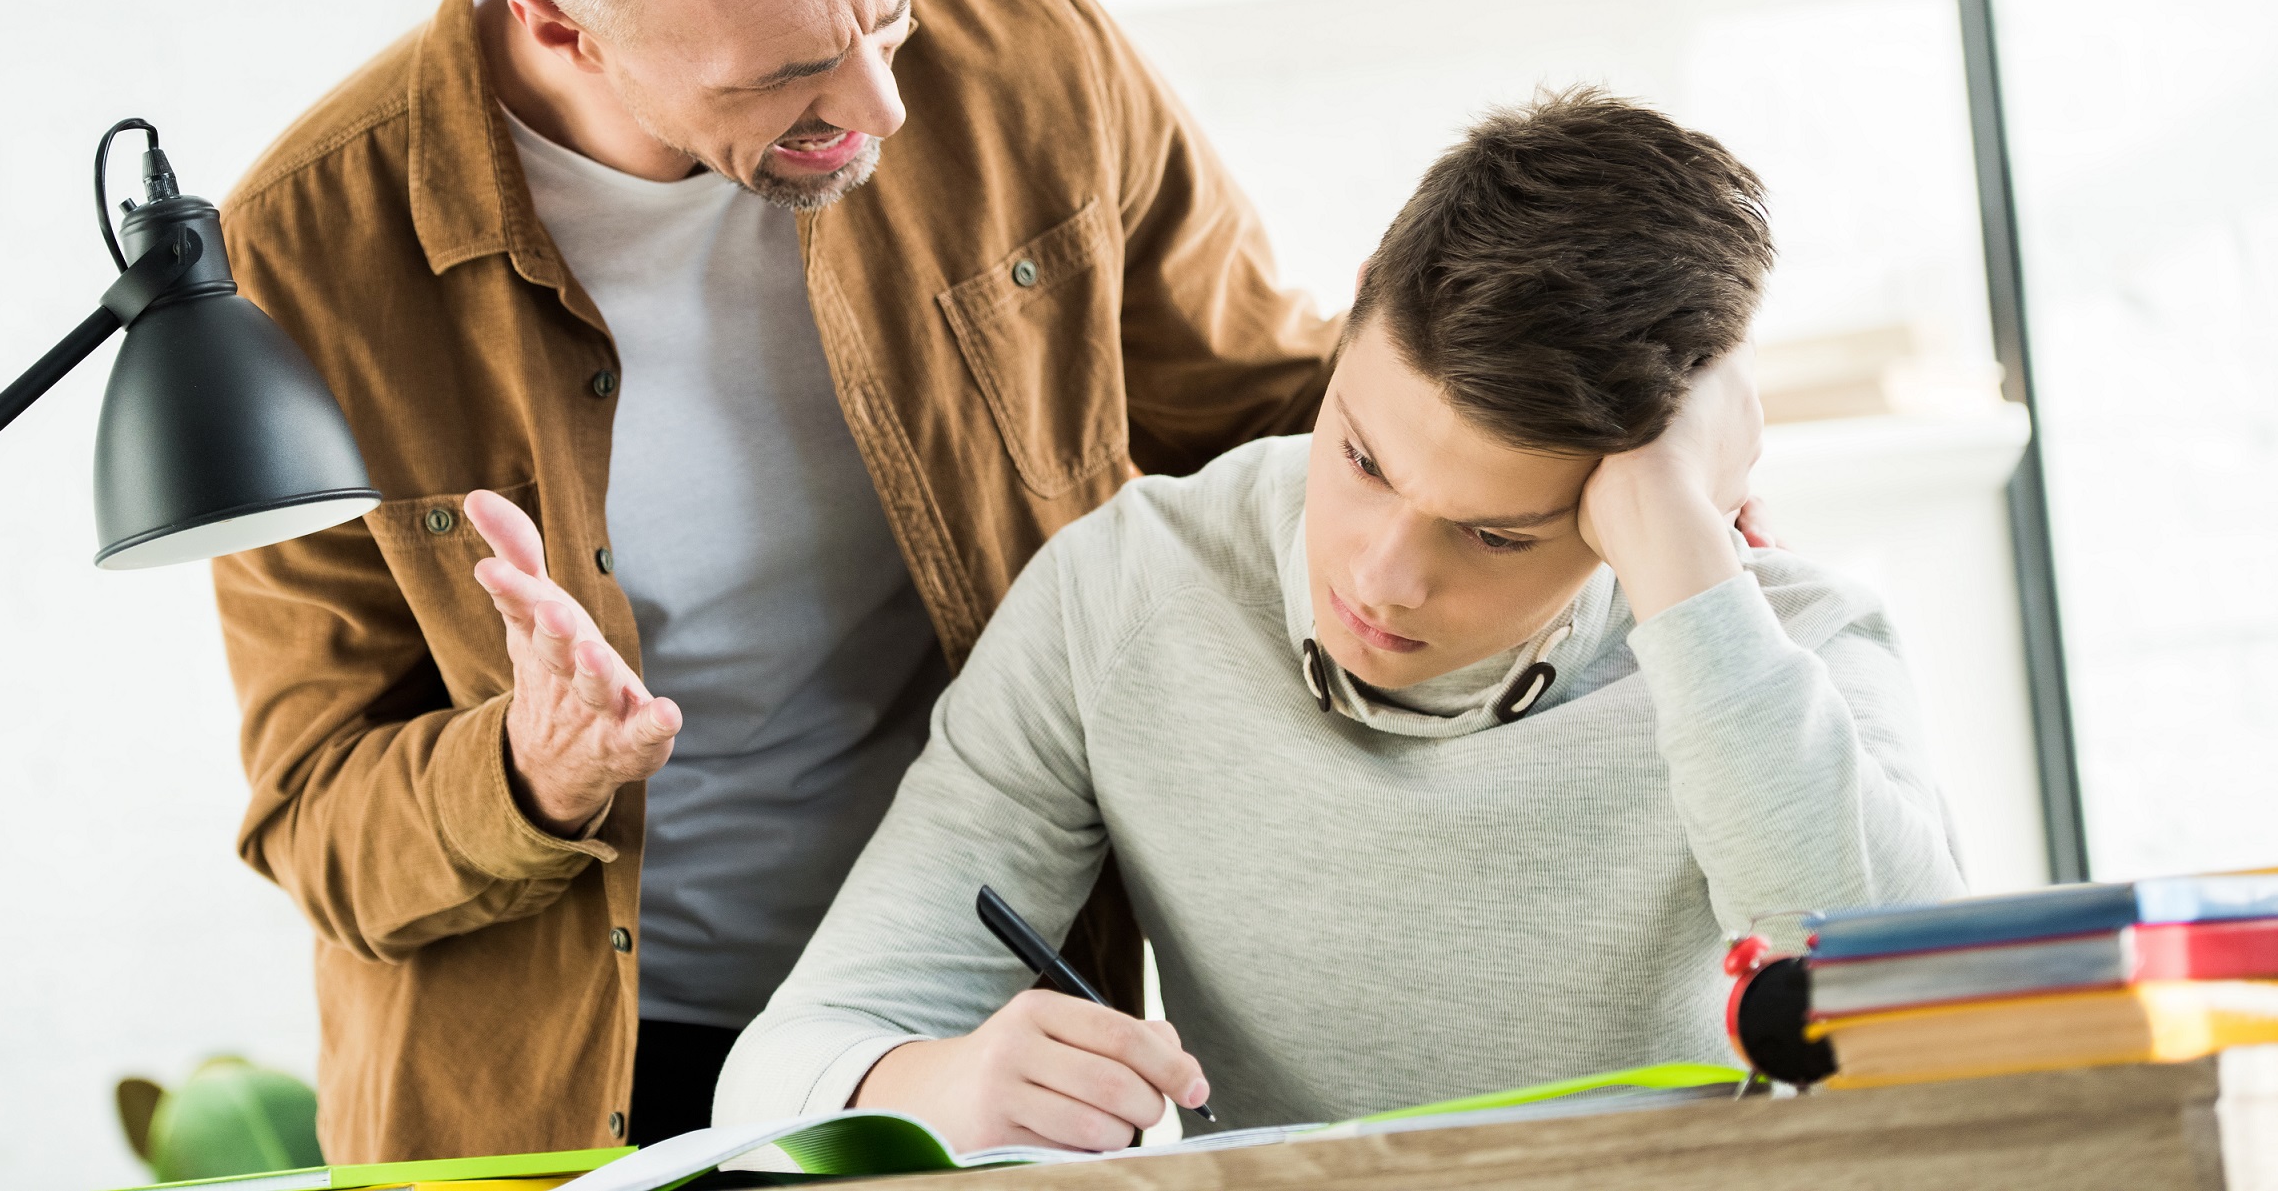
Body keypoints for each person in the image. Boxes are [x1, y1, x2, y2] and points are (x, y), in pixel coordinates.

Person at [209, 0, 1336, 1161]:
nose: (879, 109)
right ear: (558, 28)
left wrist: (1596, 454)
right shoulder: (305, 257)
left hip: (981, 1009)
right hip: (576, 1086)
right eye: (791, 73)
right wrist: (526, 771)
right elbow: (314, 816)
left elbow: (1274, 416)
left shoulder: (1027, 42)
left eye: (888, 11)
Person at [713, 90, 1967, 1147]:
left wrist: (1686, 562)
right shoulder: (1128, 590)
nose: (1383, 575)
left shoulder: (1783, 649)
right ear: (1359, 301)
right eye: (1362, 458)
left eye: (1495, 532)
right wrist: (925, 1086)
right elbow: (777, 1071)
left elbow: (1918, 1029)